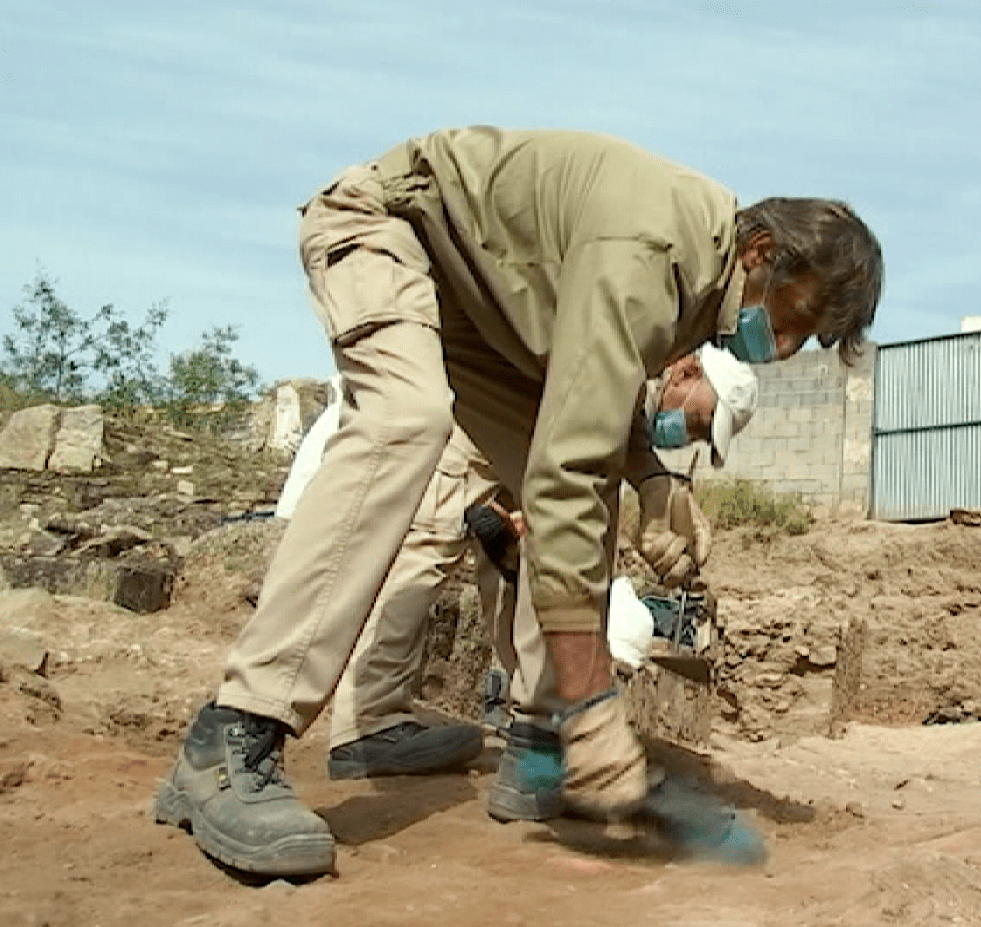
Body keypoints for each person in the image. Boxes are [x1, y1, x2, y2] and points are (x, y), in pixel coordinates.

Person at [152, 127, 882, 878]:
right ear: (762, 252)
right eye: (799, 319)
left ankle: (540, 749)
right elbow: (564, 466)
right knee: (407, 418)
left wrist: (656, 480)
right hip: (391, 230)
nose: (791, 347)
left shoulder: (698, 283)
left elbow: (590, 417)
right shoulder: (654, 251)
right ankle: (235, 733)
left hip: (483, 313)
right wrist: (596, 702)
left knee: (586, 490)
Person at [323, 344, 758, 790]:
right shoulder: (642, 339)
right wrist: (648, 481)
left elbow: (610, 423)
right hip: (487, 418)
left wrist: (656, 483)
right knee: (431, 542)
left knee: (516, 571)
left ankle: (535, 724)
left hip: (536, 437)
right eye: (701, 421)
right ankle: (366, 723)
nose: (692, 436)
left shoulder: (643, 383)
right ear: (685, 372)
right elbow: (595, 406)